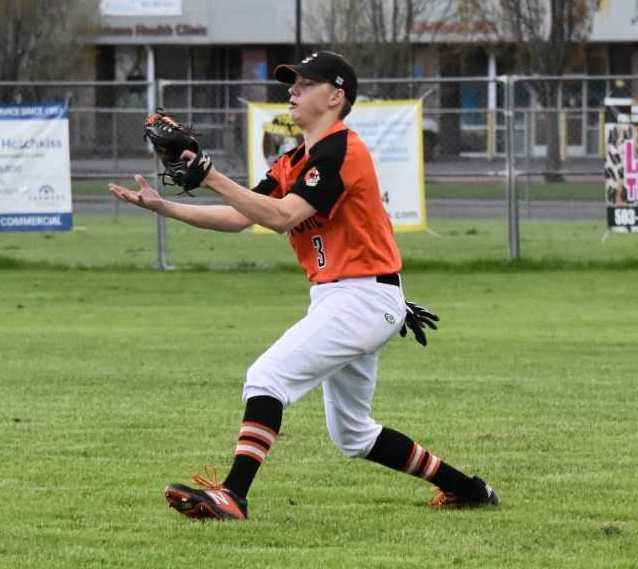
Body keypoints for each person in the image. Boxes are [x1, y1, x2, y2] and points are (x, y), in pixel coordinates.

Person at [109, 51, 499, 521]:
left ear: (336, 96)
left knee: (266, 377)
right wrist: (164, 207)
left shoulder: (340, 149)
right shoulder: (295, 160)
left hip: (360, 296)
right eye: (291, 83)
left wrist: (210, 173)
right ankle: (468, 489)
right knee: (353, 435)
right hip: (352, 296)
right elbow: (241, 216)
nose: (291, 90)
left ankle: (233, 494)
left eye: (305, 83)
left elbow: (282, 217)